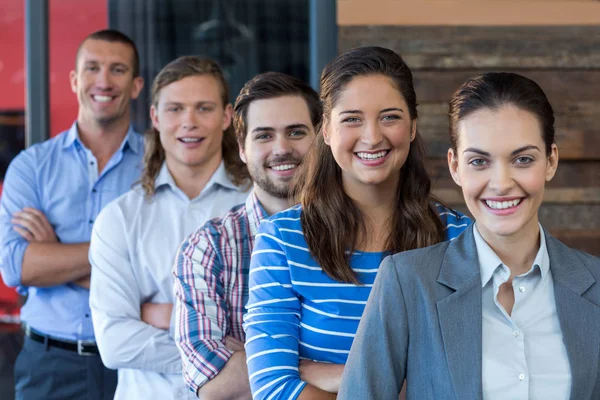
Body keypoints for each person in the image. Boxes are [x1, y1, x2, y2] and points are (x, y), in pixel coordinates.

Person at [338, 72, 600, 400]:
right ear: (455, 167)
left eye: (523, 159)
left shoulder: (596, 285)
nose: (501, 182)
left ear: (550, 161)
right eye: (479, 161)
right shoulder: (408, 283)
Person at [243, 46, 471, 400]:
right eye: (352, 118)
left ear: (412, 126)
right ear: (327, 129)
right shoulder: (281, 240)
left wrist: (339, 375)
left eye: (390, 117)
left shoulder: (459, 238)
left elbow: (466, 383)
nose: (372, 137)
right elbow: (273, 388)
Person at [88, 56, 251, 400]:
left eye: (203, 108)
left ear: (226, 117)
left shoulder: (258, 206)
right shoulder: (119, 219)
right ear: (155, 117)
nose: (188, 122)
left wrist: (170, 318)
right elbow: (116, 344)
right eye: (175, 109)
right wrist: (225, 354)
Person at [0, 29, 144, 400]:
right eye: (92, 68)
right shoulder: (31, 167)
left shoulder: (158, 166)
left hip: (137, 364)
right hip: (49, 365)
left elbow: (157, 275)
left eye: (117, 69)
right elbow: (18, 267)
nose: (104, 81)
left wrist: (55, 250)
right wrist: (118, 262)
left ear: (136, 85)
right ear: (75, 80)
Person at [173, 71, 321, 399]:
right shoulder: (207, 247)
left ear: (320, 138)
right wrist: (326, 367)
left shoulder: (359, 231)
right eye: (264, 136)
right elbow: (213, 387)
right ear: (241, 148)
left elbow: (384, 364)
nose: (282, 148)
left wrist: (255, 360)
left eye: (296, 132)